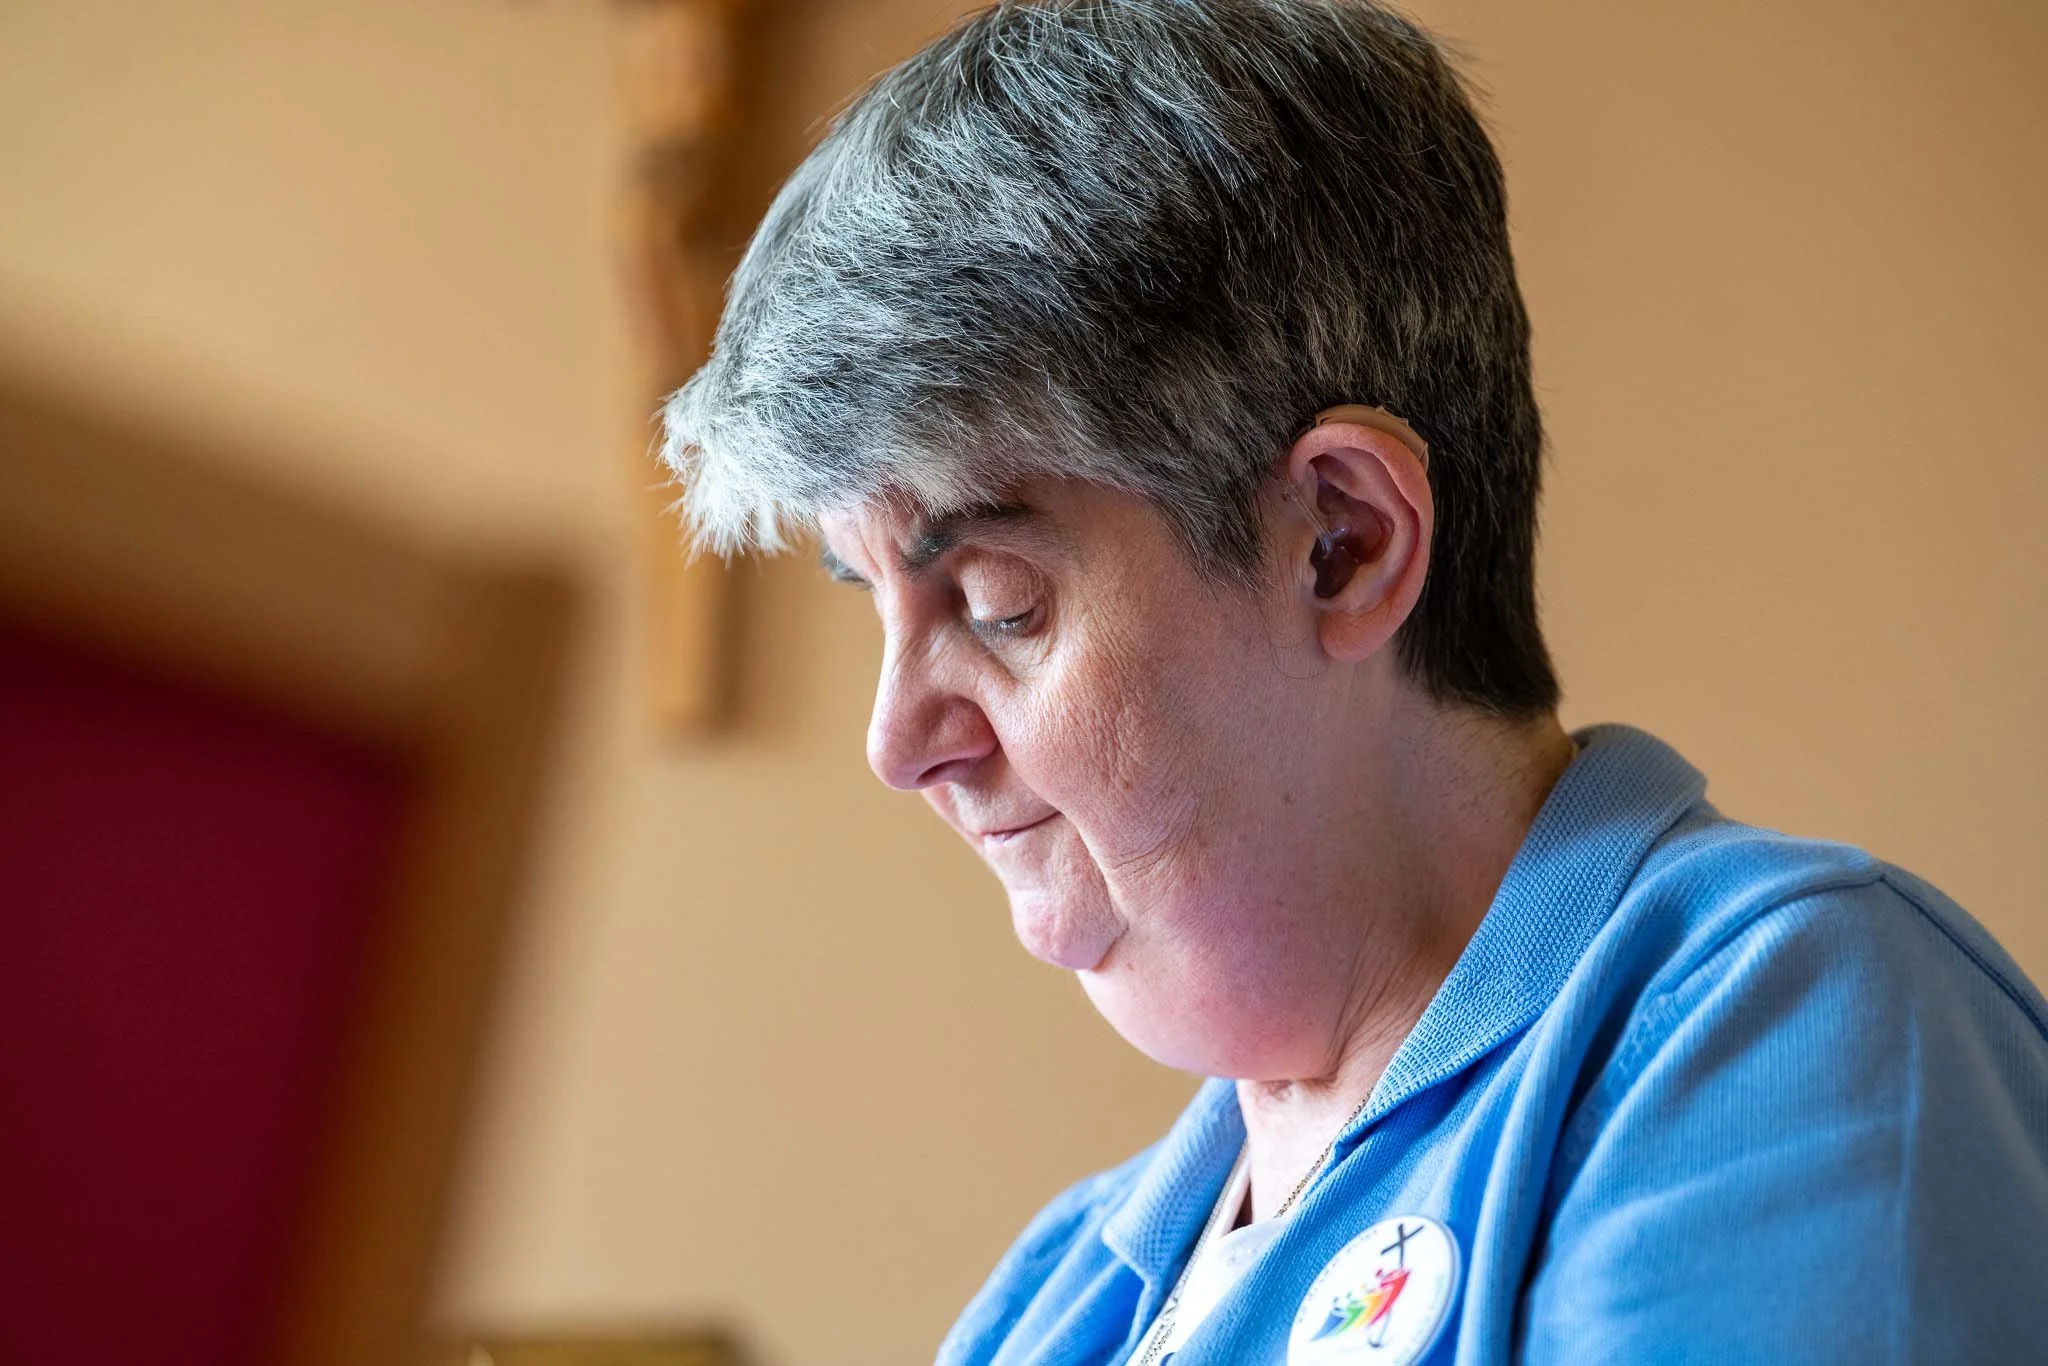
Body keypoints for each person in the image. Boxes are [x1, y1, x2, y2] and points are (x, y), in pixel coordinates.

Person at [659, 0, 2048, 1360]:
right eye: (878, 606)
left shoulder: (1779, 1035)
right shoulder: (1061, 1292)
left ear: (1341, 541)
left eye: (999, 603)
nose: (899, 740)